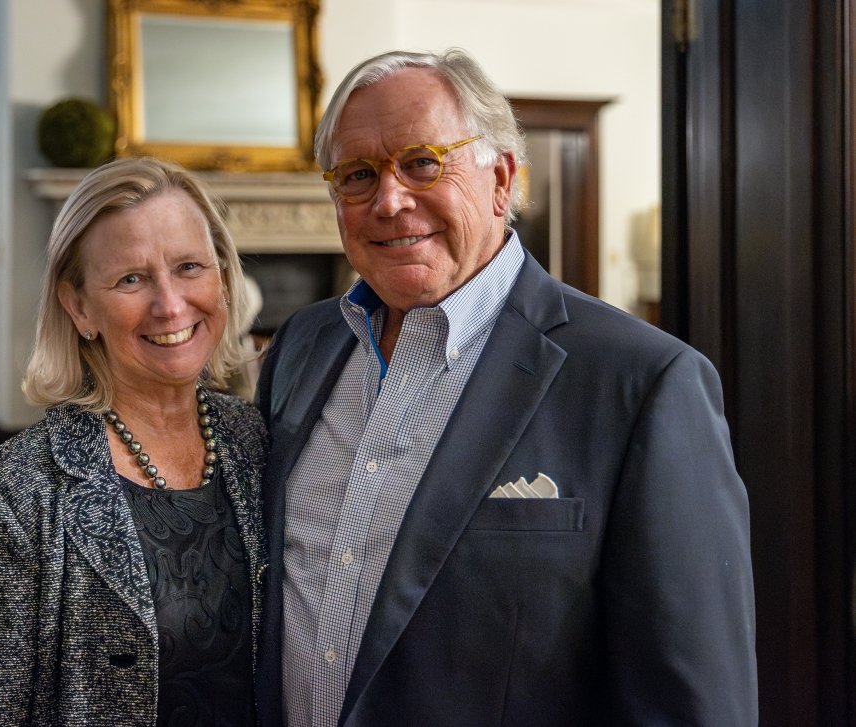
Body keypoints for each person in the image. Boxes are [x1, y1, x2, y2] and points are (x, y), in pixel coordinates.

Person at [255, 48, 757, 726]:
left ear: (502, 178)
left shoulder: (642, 383)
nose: (390, 199)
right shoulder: (301, 347)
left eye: (423, 161)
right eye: (357, 174)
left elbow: (693, 704)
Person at [0, 156, 268, 725]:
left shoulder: (260, 441)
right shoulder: (5, 494)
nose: (170, 304)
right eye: (131, 279)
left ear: (223, 277)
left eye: (190, 266)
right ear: (79, 306)